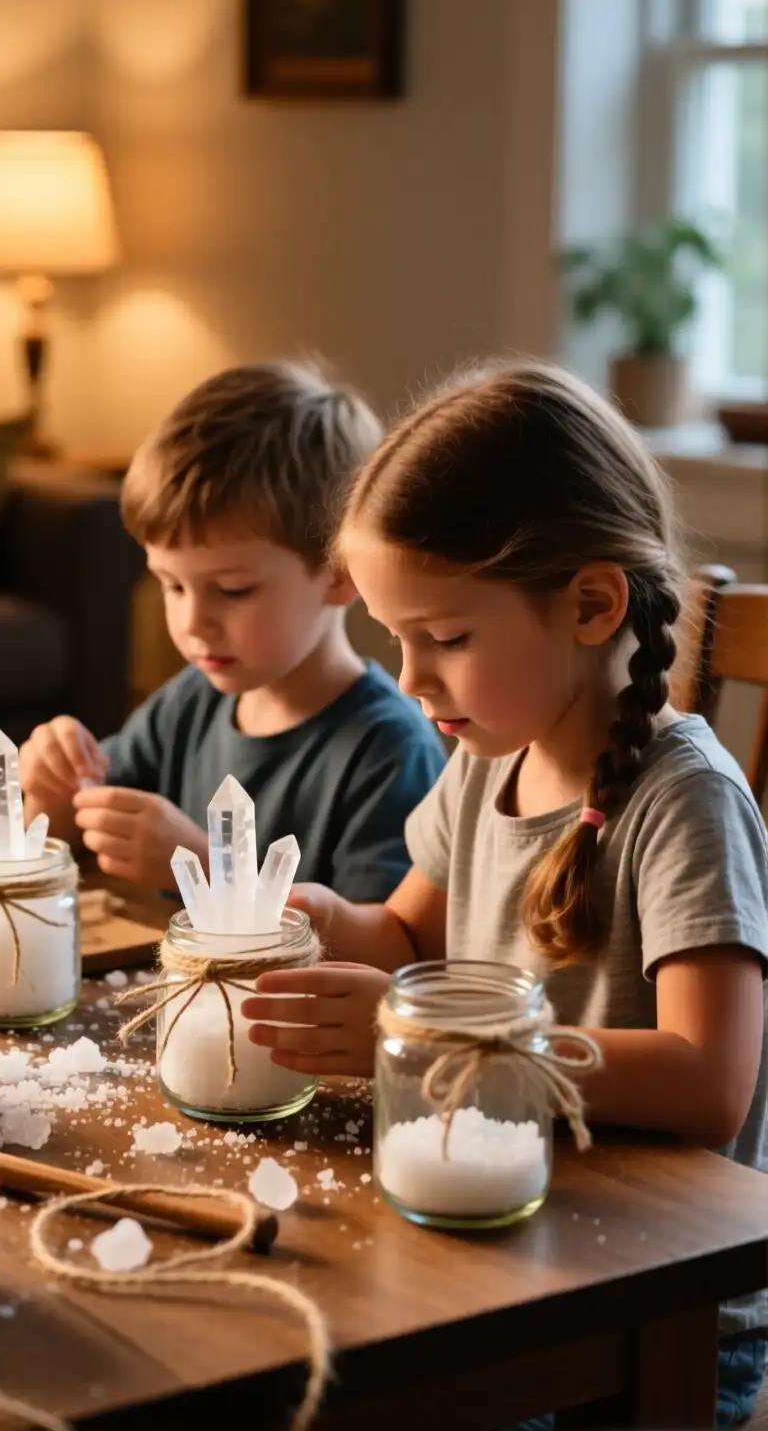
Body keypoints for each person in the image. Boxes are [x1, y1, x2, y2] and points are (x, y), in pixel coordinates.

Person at [239, 360, 768, 1426]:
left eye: (445, 637)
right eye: (399, 638)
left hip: (656, 1289)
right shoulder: (488, 751)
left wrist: (434, 1048)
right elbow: (400, 932)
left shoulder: (682, 797)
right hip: (515, 1226)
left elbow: (708, 1077)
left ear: (588, 602)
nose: (410, 677)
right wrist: (305, 921)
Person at [19, 360, 445, 902]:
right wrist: (51, 789)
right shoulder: (189, 702)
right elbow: (67, 840)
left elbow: (377, 954)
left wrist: (205, 868)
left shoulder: (388, 749)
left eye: (233, 590)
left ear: (341, 576)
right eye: (171, 586)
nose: (193, 622)